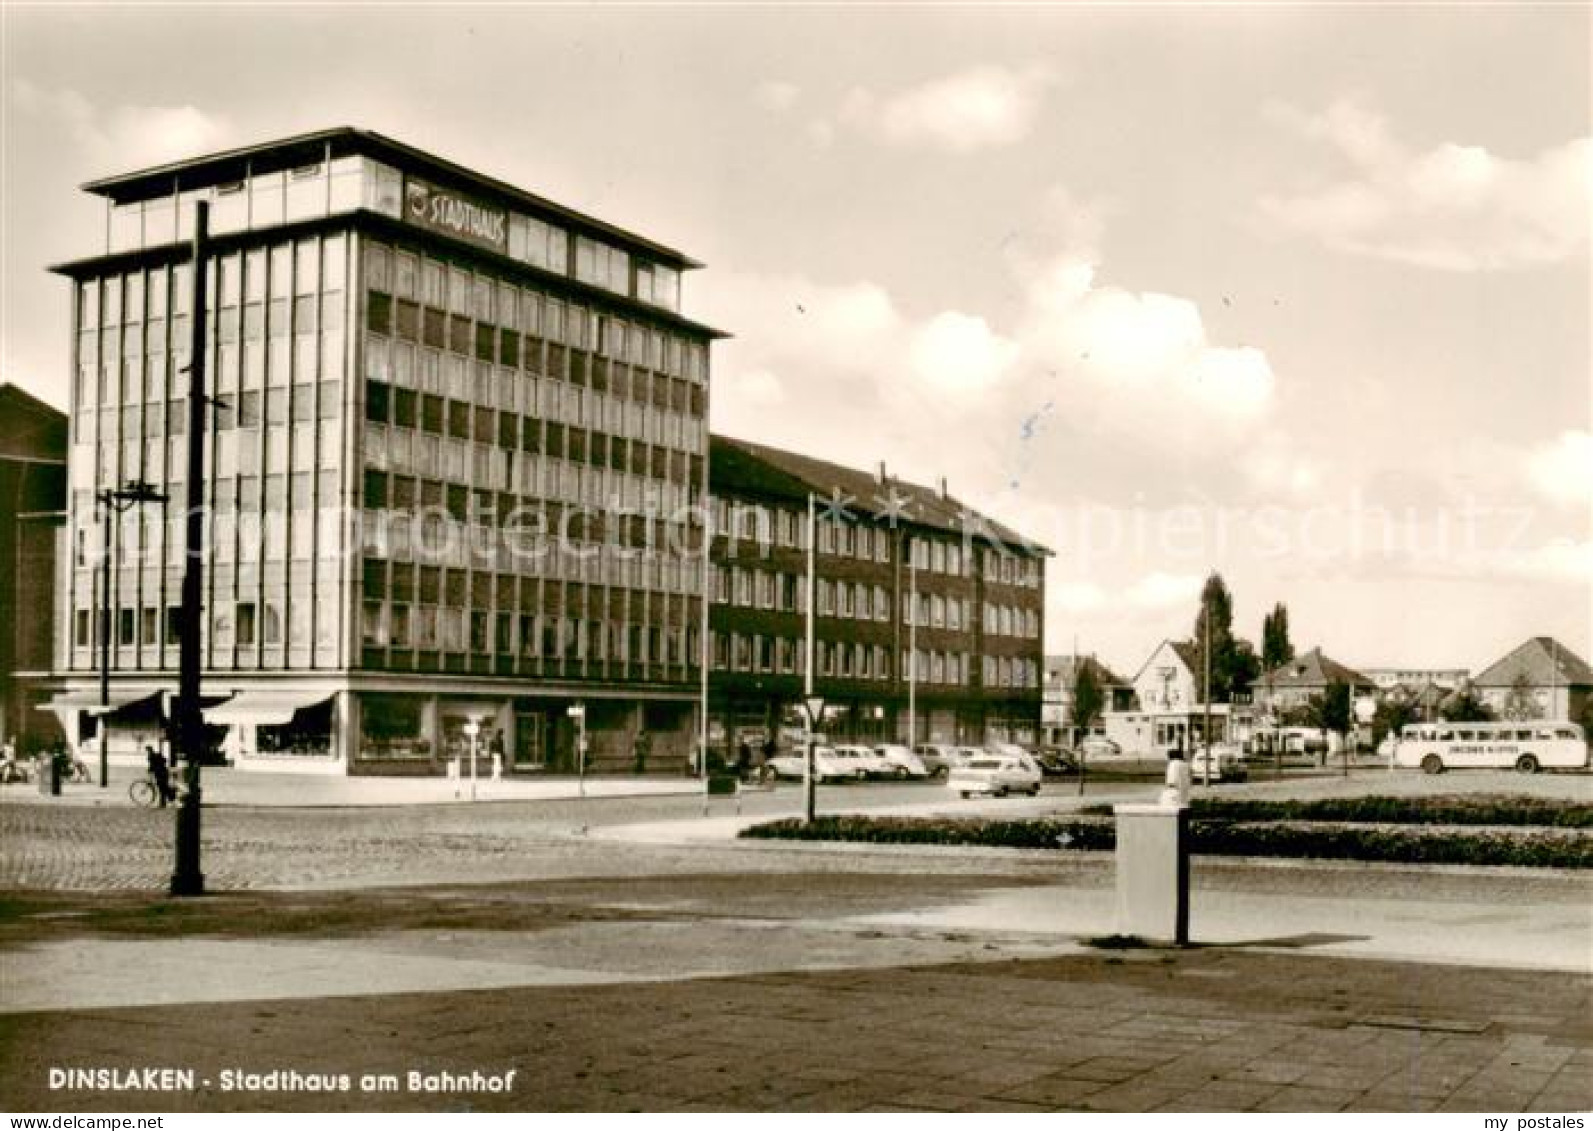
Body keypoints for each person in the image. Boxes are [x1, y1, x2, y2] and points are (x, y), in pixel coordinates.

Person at [1160, 743, 1191, 809]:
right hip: (1184, 793)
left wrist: (1166, 790)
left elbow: (1172, 781)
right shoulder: (1185, 765)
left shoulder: (1173, 764)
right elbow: (1189, 780)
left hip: (1173, 793)